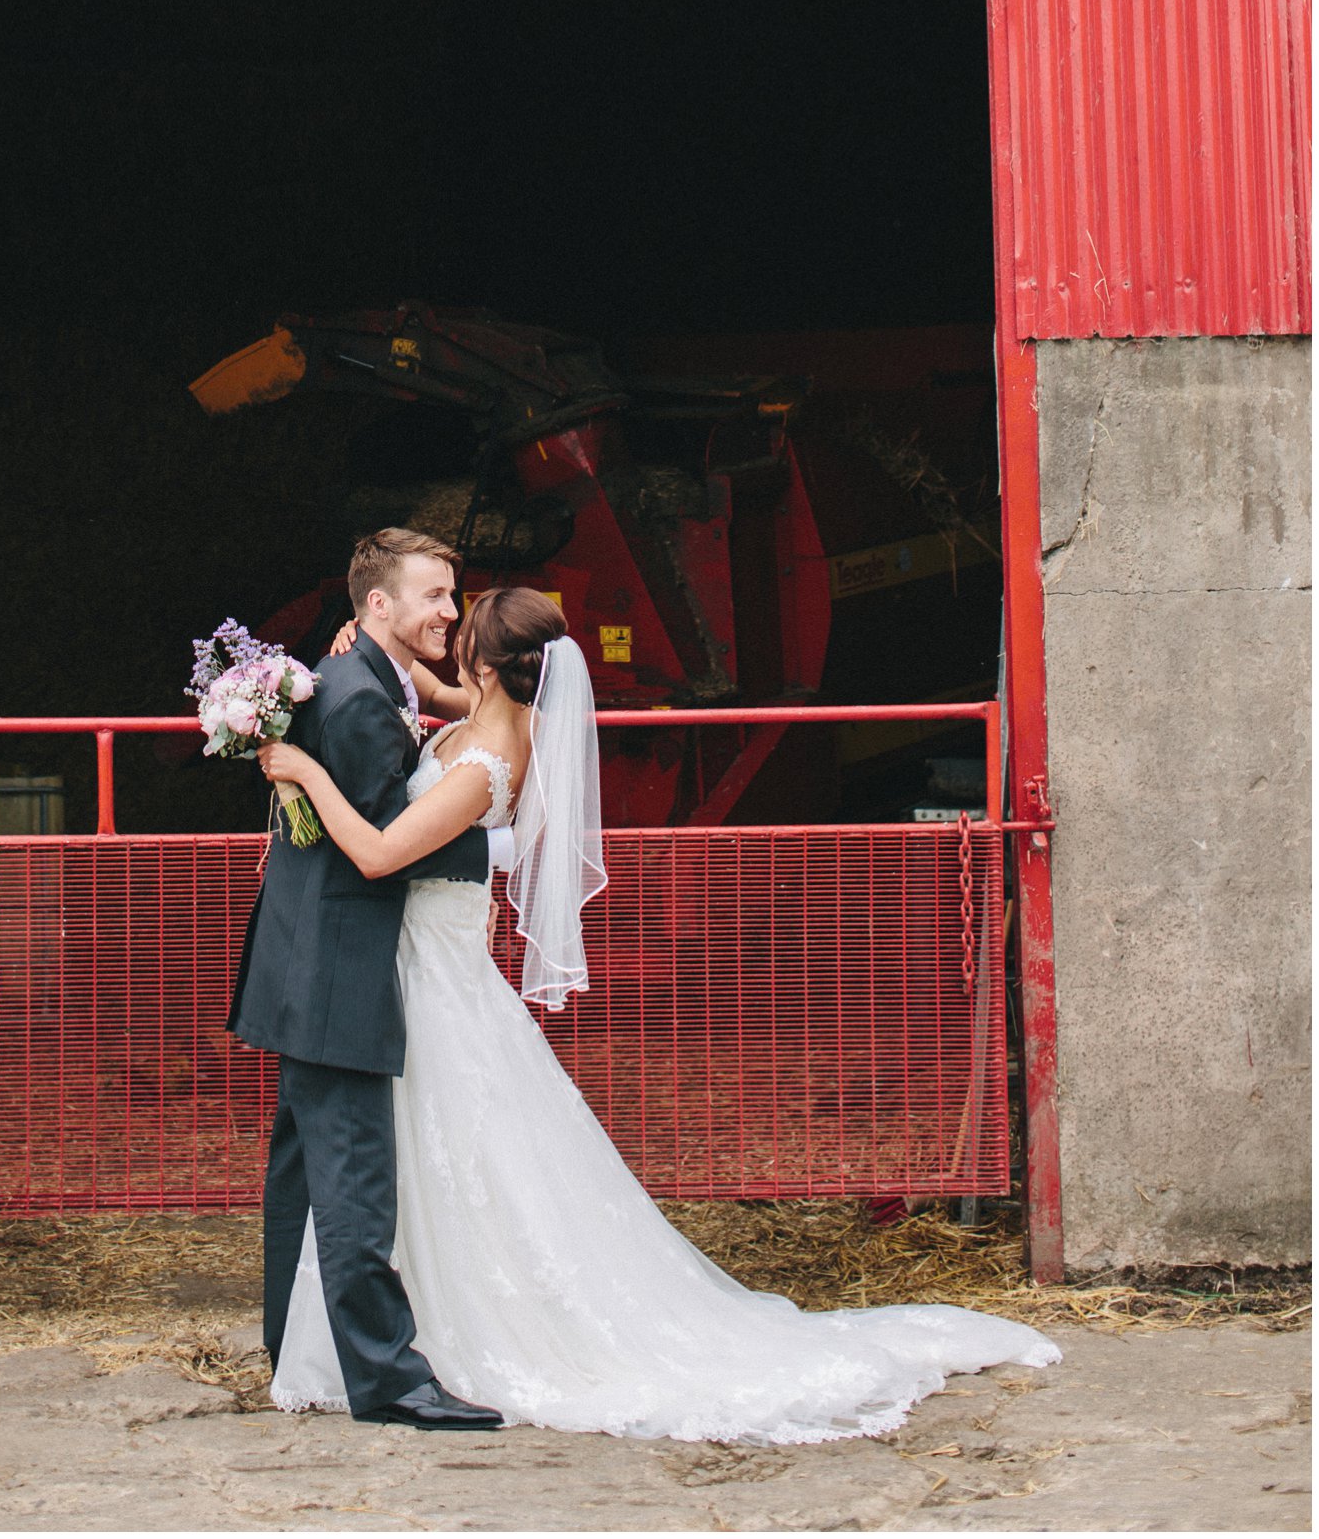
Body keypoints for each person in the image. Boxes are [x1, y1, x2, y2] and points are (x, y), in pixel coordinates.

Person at [256, 584, 1062, 1444]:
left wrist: (302, 769)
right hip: (427, 972)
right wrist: (372, 655)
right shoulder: (505, 717)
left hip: (434, 976)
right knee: (440, 1162)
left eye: (462, 623)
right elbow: (435, 693)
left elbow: (381, 852)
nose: (448, 627)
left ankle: (458, 1333)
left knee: (455, 1159)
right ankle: (400, 1329)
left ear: (489, 666)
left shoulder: (483, 760)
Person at [226, 528, 505, 1431]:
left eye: (454, 597)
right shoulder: (355, 703)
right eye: (432, 595)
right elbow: (383, 845)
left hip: (308, 958)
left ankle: (293, 1352)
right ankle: (387, 1382)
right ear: (377, 605)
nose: (448, 612)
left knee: (304, 1175)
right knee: (353, 1180)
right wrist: (485, 840)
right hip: (337, 965)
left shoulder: (369, 681)